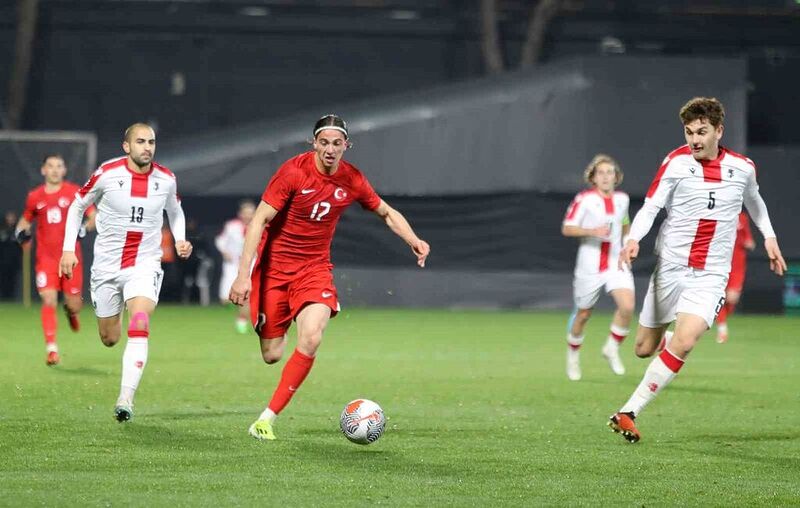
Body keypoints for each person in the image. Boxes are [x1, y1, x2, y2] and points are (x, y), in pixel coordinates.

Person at [229, 114, 430, 441]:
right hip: (274, 271)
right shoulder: (292, 172)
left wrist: (414, 240)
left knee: (311, 337)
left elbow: (386, 212)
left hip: (314, 270)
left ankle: (266, 419)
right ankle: (281, 323)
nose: (330, 149)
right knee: (272, 354)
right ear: (314, 143)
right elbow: (259, 221)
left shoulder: (352, 179)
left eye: (337, 143)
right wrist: (242, 276)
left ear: (346, 146)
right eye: (324, 142)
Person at [608, 97, 786, 443]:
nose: (695, 140)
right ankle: (670, 340)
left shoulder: (743, 168)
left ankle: (628, 412)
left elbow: (756, 202)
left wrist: (770, 237)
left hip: (711, 275)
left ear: (719, 130)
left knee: (688, 341)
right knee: (644, 348)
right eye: (689, 132)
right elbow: (651, 205)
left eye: (702, 132)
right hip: (671, 268)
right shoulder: (675, 163)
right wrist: (633, 239)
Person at [59, 123, 193, 422]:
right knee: (109, 338)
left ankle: (125, 398)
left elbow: (176, 211)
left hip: (145, 264)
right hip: (107, 266)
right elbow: (78, 206)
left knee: (141, 323)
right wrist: (69, 249)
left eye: (152, 142)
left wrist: (181, 238)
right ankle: (116, 309)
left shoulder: (166, 179)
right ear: (126, 146)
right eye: (141, 141)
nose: (147, 147)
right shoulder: (107, 173)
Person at [15, 155, 96, 365]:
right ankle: (51, 349)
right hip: (46, 259)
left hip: (71, 259)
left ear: (64, 170)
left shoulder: (74, 192)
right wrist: (20, 231)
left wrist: (85, 228)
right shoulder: (34, 196)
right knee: (49, 299)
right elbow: (25, 220)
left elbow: (94, 216)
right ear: (43, 170)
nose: (54, 170)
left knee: (73, 306)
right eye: (50, 166)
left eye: (59, 166)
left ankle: (71, 313)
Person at [562, 154, 635, 381]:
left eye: (609, 172)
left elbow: (624, 223)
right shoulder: (584, 199)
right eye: (601, 173)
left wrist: (627, 244)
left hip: (615, 262)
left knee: (627, 306)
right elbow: (567, 228)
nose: (605, 177)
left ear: (616, 177)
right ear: (593, 177)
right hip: (589, 265)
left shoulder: (622, 199)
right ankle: (573, 356)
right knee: (583, 314)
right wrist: (592, 231)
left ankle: (611, 348)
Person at [215, 200, 256, 333]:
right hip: (232, 264)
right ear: (240, 214)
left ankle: (242, 320)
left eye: (251, 213)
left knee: (247, 295)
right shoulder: (231, 226)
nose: (248, 216)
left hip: (250, 264)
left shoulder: (260, 226)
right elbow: (220, 240)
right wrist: (224, 252)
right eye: (246, 213)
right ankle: (236, 307)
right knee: (225, 298)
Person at [715, 211, 755, 343]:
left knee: (732, 299)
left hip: (738, 265)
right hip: (720, 263)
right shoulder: (719, 214)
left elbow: (749, 239)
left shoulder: (742, 218)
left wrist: (748, 242)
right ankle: (722, 329)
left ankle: (720, 320)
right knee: (720, 296)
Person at [0, 211, 22, 300]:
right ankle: (3, 298)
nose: (10, 220)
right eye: (9, 217)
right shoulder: (2, 230)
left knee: (12, 281)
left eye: (12, 217)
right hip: (2, 262)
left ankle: (11, 298)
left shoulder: (17, 231)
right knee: (3, 280)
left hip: (14, 262)